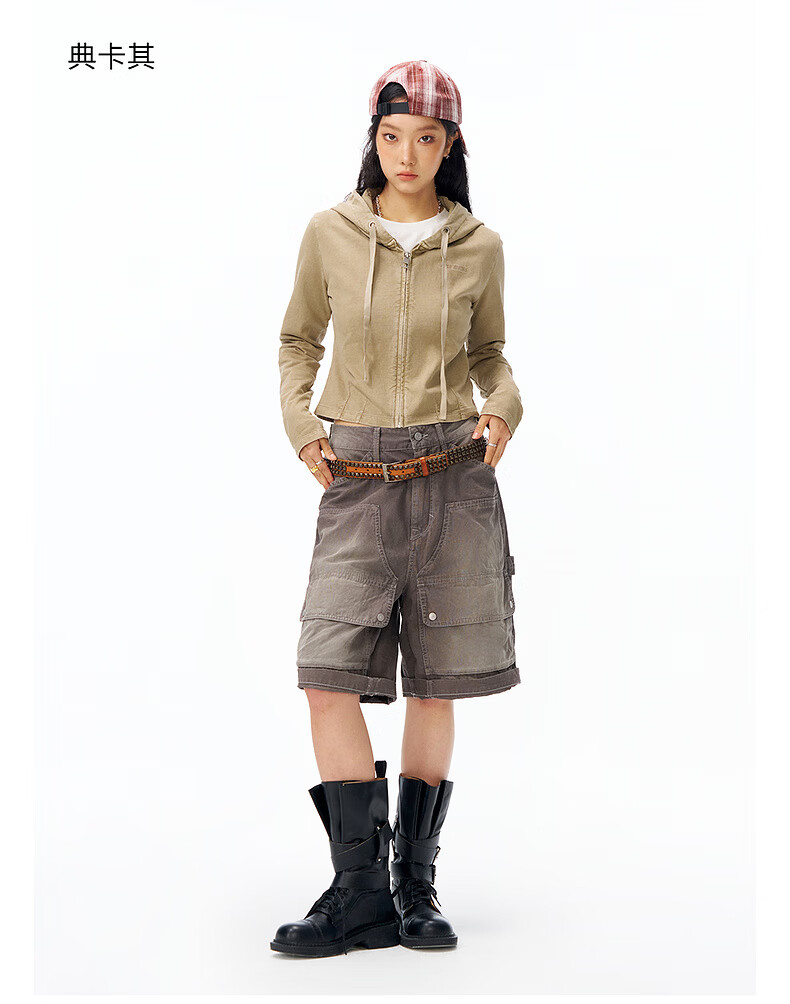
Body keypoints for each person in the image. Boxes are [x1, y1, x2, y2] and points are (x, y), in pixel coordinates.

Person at [270, 60, 523, 958]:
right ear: (372, 139)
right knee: (325, 674)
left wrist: (505, 405)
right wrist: (304, 428)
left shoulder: (479, 245)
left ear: (450, 145)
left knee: (436, 681)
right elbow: (298, 341)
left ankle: (415, 884)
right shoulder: (329, 232)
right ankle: (359, 891)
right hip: (356, 478)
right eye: (390, 136)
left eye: (425, 137)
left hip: (454, 478)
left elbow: (490, 354)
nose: (405, 154)